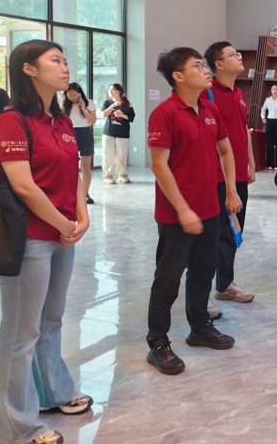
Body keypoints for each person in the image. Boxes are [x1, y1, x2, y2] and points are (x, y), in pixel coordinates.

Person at [0, 40, 92, 444]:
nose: (65, 67)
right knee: (20, 332)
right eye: (55, 61)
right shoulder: (11, 121)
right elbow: (23, 186)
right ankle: (17, 427)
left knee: (51, 320)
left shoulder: (61, 120)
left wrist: (81, 215)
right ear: (28, 69)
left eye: (65, 60)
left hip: (62, 233)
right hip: (29, 237)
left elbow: (74, 173)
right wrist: (64, 223)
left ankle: (55, 393)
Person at [146, 47, 241, 376]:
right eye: (198, 66)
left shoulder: (210, 108)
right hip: (176, 214)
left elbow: (225, 150)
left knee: (203, 272)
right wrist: (183, 209)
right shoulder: (165, 113)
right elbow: (159, 165)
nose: (206, 70)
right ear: (178, 76)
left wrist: (230, 190)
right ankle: (158, 343)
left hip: (210, 208)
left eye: (204, 65)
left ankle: (199, 327)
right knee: (168, 279)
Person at [202, 41, 255, 309]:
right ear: (219, 64)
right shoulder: (207, 93)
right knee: (211, 237)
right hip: (216, 177)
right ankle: (200, 296)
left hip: (238, 176)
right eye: (233, 55)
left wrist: (251, 162)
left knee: (233, 232)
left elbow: (243, 130)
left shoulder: (239, 93)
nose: (239, 57)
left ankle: (224, 285)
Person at [61, 83, 96, 204]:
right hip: (69, 134)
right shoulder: (64, 105)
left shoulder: (89, 103)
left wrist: (84, 108)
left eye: (75, 95)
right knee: (70, 166)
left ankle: (85, 193)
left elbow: (93, 120)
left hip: (86, 134)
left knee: (85, 166)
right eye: (69, 95)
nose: (72, 97)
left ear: (80, 93)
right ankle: (71, 192)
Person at [101, 84, 135, 184]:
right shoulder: (107, 102)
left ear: (119, 91)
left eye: (113, 90)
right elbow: (104, 114)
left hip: (123, 133)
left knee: (121, 155)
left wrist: (121, 115)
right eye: (109, 90)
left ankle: (122, 175)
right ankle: (108, 176)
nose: (110, 92)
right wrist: (113, 105)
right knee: (108, 155)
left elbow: (131, 118)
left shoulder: (127, 103)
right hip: (108, 132)